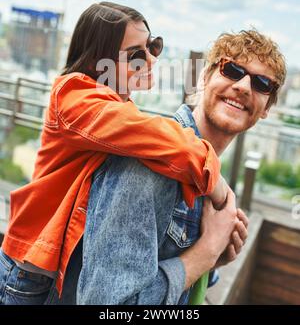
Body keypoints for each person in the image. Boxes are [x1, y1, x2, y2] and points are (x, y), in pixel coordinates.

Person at [0, 2, 229, 306]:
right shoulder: (74, 97)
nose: (150, 59)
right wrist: (221, 190)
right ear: (99, 60)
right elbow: (167, 141)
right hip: (29, 276)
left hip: (61, 275)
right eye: (136, 54)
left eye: (153, 46)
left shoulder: (119, 109)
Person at [68, 29, 285, 305]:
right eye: (231, 70)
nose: (243, 86)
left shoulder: (211, 179)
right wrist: (206, 251)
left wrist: (213, 262)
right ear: (204, 78)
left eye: (262, 83)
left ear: (267, 107)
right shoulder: (151, 163)